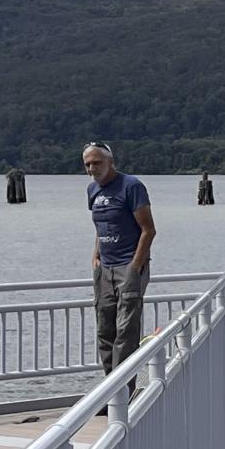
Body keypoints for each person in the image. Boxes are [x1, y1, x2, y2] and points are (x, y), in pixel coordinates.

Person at [83, 142, 156, 385]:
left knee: (126, 332)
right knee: (105, 331)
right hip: (104, 268)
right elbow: (101, 226)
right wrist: (95, 256)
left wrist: (135, 266)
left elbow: (148, 230)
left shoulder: (131, 186)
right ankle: (109, 386)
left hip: (129, 266)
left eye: (97, 163)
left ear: (110, 162)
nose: (92, 168)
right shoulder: (92, 190)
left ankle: (124, 390)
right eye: (88, 164)